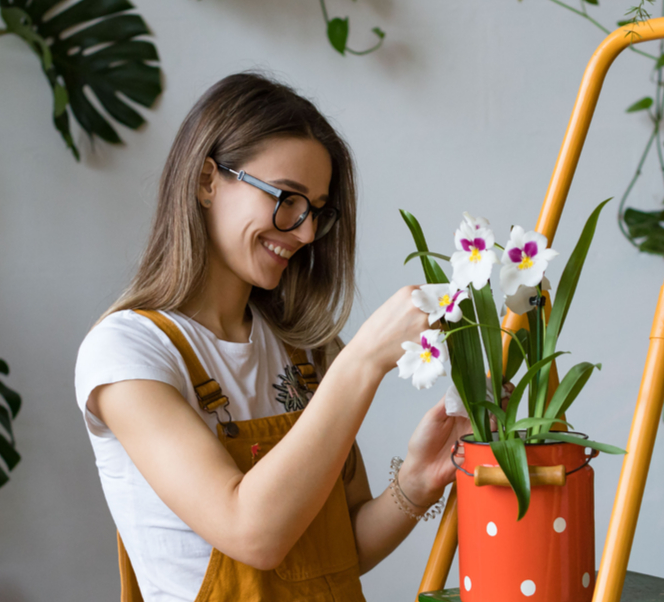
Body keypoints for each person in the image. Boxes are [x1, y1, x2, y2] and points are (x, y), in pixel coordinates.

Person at [74, 72, 470, 602]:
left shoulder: (304, 350)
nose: (306, 232)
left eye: (317, 212)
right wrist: (364, 362)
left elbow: (338, 551)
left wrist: (417, 482)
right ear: (207, 180)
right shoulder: (129, 354)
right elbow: (252, 534)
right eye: (288, 198)